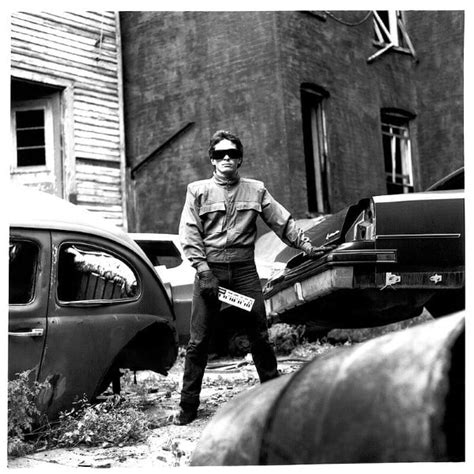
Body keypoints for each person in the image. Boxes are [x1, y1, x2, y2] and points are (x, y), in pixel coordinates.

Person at [174, 130, 333, 425]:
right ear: (212, 160)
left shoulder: (256, 190)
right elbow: (190, 233)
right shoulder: (197, 191)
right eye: (220, 154)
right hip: (210, 273)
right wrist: (204, 271)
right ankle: (187, 406)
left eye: (232, 153)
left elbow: (282, 222)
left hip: (244, 273)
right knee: (198, 341)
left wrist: (308, 247)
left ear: (240, 159)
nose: (226, 158)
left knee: (259, 336)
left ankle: (274, 400)